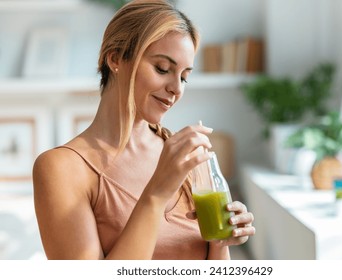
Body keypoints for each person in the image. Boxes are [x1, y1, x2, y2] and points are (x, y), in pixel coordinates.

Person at [33, 0, 255, 260]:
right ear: (115, 58)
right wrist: (156, 193)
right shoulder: (62, 168)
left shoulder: (182, 155)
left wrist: (220, 240)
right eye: (163, 69)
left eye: (184, 76)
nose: (177, 88)